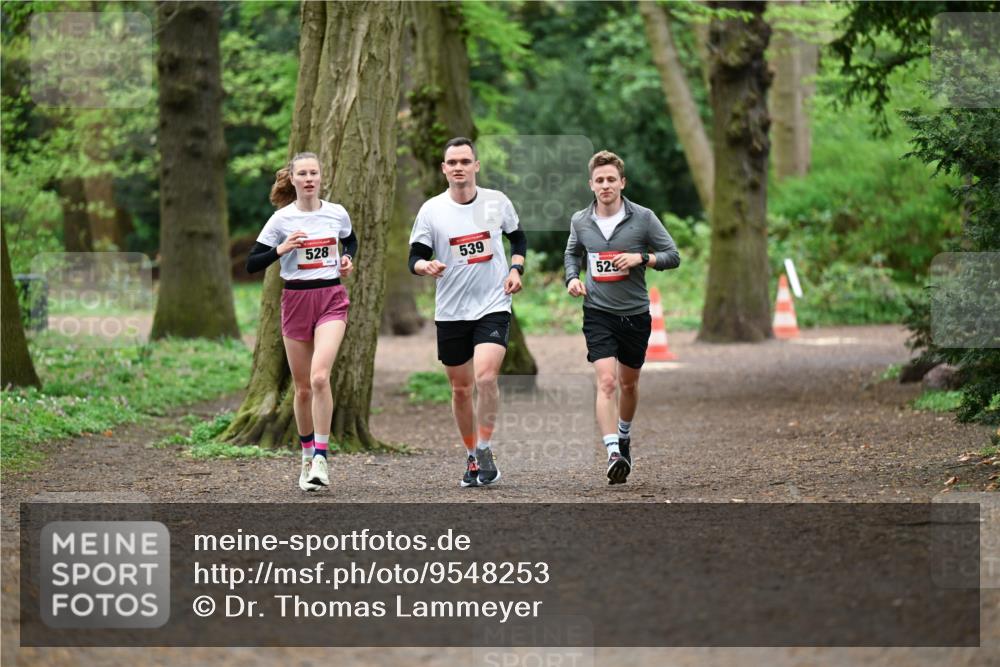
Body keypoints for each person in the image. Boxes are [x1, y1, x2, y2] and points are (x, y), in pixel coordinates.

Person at [408, 137, 527, 488]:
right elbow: (414, 256)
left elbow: (518, 239)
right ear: (444, 169)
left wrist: (516, 269)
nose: (458, 167)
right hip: (451, 311)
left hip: (493, 304)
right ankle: (472, 454)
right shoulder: (432, 210)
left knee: (486, 377)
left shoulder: (496, 202)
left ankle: (486, 446)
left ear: (475, 165)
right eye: (452, 162)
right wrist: (424, 266)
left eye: (465, 161)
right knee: (461, 389)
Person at [564, 150, 679, 484]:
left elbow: (673, 256)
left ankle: (624, 435)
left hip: (634, 314)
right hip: (597, 312)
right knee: (607, 381)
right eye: (599, 180)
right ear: (591, 185)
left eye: (611, 179)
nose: (605, 185)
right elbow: (572, 252)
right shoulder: (580, 221)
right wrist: (572, 277)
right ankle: (613, 451)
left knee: (628, 383)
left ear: (622, 182)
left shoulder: (643, 218)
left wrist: (640, 258)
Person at [246, 152, 358, 492]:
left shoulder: (336, 213)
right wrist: (281, 250)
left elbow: (350, 238)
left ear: (322, 177)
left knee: (320, 376)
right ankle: (307, 454)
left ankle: (322, 457)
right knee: (304, 387)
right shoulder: (281, 219)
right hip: (295, 301)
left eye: (314, 173)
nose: (309, 178)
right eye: (303, 174)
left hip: (330, 298)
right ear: (292, 179)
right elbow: (252, 263)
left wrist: (347, 256)